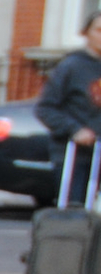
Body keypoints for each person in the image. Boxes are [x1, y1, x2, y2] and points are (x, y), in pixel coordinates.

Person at [34, 10, 101, 201]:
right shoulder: (70, 66)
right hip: (75, 157)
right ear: (86, 33)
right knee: (74, 212)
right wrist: (75, 129)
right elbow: (45, 108)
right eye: (99, 30)